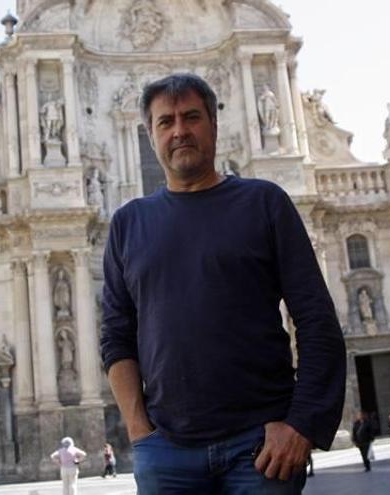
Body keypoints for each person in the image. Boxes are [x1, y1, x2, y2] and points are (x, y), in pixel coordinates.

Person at [100, 73, 346, 494]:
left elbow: (317, 319)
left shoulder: (265, 203)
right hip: (167, 453)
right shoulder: (127, 224)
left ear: (214, 122)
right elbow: (115, 335)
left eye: (191, 117)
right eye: (166, 122)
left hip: (260, 450)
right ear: (150, 133)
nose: (179, 131)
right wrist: (141, 434)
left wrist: (302, 424)